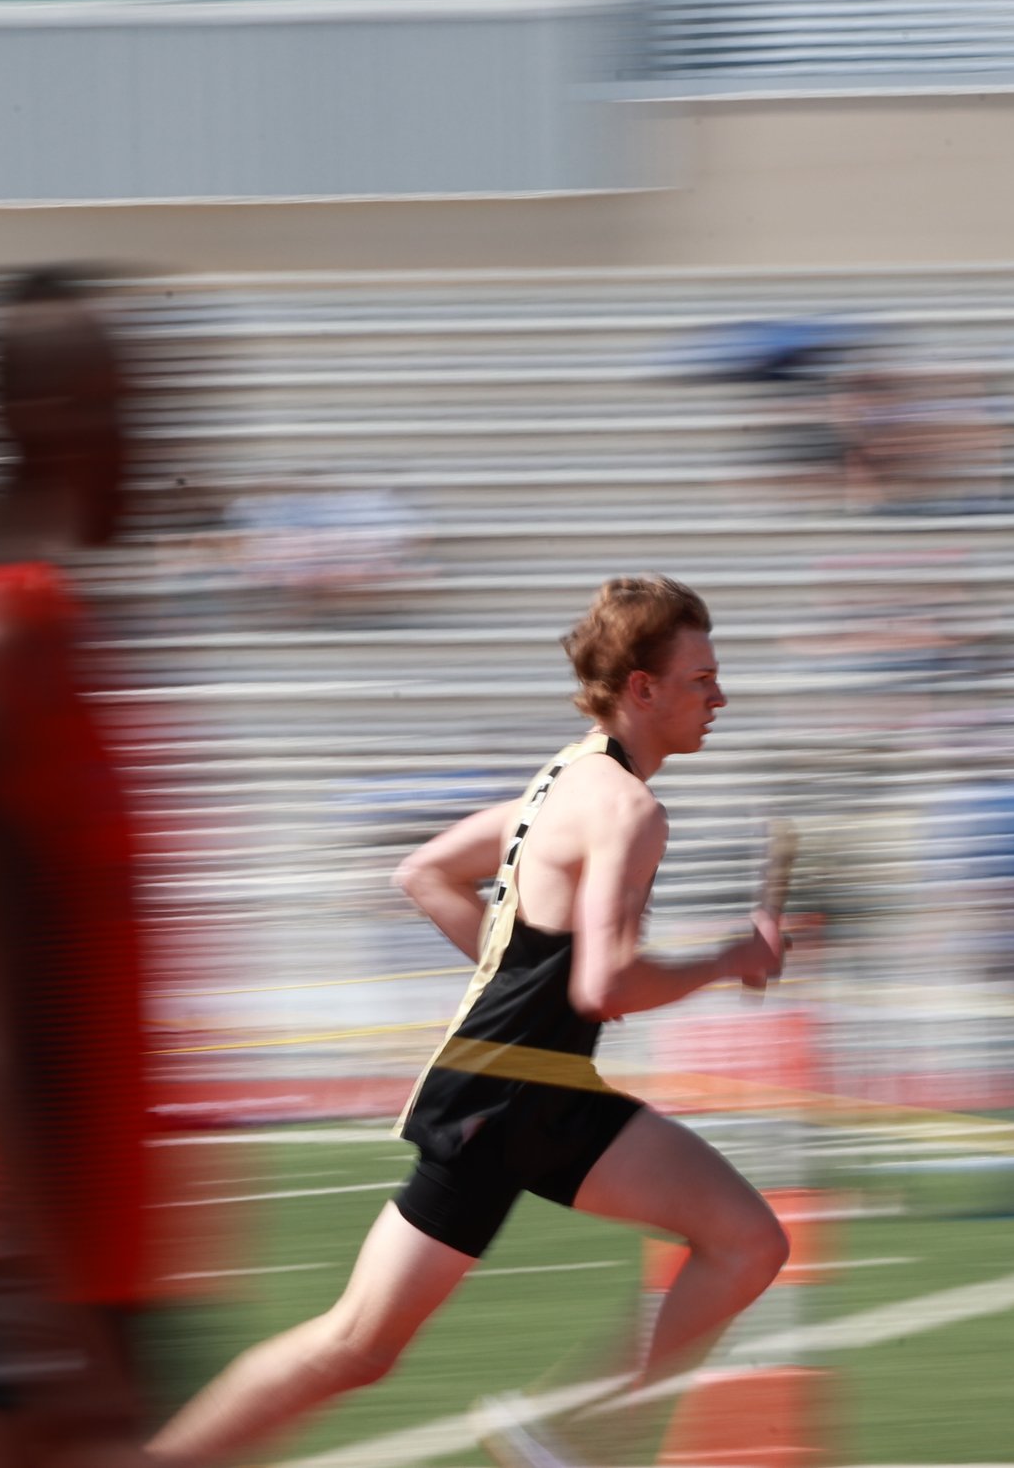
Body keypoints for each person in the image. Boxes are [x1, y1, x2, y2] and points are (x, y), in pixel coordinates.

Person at [152, 574, 790, 1468]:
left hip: (537, 1086)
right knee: (356, 1344)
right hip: (507, 1095)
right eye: (702, 679)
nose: (721, 696)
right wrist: (732, 960)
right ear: (641, 687)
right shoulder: (628, 809)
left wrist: (511, 970)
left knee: (747, 1239)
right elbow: (602, 985)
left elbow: (423, 873)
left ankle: (575, 1439)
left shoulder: (560, 780)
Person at [0, 268, 157, 1468]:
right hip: (36, 1292)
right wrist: (68, 1338)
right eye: (128, 404)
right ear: (44, 417)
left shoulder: (69, 634)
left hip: (106, 1272)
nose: (154, 440)